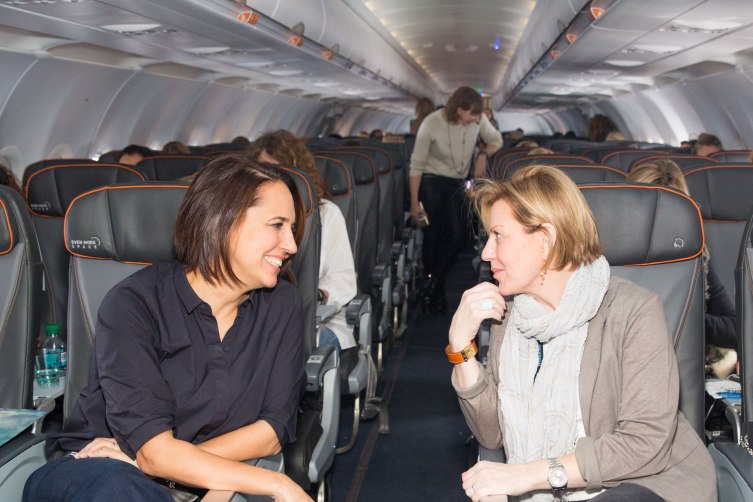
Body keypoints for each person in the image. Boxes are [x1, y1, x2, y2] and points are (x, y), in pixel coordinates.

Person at [24, 155, 313, 501]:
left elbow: (271, 431)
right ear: (222, 222)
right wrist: (277, 483)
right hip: (98, 470)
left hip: (152, 468)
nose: (292, 246)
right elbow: (151, 453)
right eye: (277, 225)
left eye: (292, 229)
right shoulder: (134, 304)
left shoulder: (282, 306)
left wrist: (181, 468)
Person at [450, 165, 716, 502]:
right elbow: (491, 434)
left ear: (545, 241)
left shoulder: (632, 311)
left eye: (499, 236)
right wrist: (461, 348)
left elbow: (644, 443)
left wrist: (529, 474)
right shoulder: (510, 317)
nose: (486, 253)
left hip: (640, 486)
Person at [248, 130, 357, 351]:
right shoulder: (248, 217)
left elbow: (343, 279)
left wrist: (318, 295)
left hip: (317, 320)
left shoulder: (327, 214)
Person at [628, 159, 737, 377]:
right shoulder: (611, 257)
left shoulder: (697, 257)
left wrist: (689, 319)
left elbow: (733, 328)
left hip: (688, 367)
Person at [409, 86, 502, 314]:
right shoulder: (431, 123)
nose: (476, 119)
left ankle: (432, 283)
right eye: (471, 114)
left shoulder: (477, 121)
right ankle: (436, 292)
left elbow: (496, 139)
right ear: (459, 110)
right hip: (431, 181)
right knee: (433, 233)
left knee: (458, 235)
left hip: (457, 182)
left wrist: (483, 154)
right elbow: (416, 166)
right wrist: (413, 203)